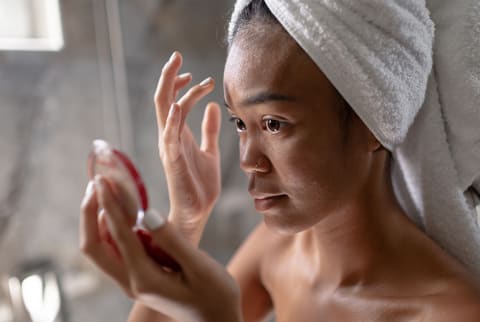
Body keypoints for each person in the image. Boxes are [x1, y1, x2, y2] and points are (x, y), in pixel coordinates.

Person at [80, 1, 480, 321]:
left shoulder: (451, 311)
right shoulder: (278, 252)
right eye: (240, 123)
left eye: (273, 123)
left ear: (373, 121)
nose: (249, 161)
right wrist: (186, 220)